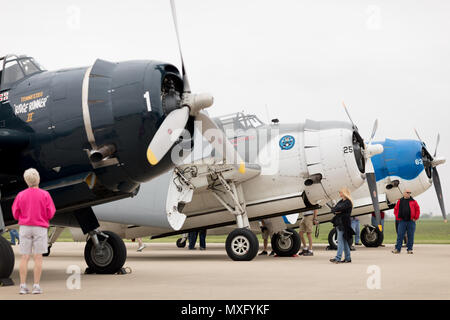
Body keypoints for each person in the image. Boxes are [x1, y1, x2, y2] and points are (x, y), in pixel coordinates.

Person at [12, 168, 56, 294]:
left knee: (25, 257)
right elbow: (51, 212)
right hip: (40, 227)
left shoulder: (20, 195)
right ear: (38, 179)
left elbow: (15, 214)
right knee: (38, 257)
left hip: (25, 227)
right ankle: (36, 286)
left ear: (26, 180)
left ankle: (22, 286)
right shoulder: (45, 195)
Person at [330, 188, 355, 263]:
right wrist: (337, 210)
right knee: (344, 241)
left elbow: (338, 208)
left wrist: (337, 210)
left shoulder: (348, 202)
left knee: (340, 241)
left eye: (340, 192)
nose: (339, 193)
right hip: (339, 222)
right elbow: (334, 209)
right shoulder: (341, 201)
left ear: (344, 193)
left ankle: (338, 258)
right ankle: (348, 258)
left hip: (343, 223)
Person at [392, 189, 420, 254]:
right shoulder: (400, 201)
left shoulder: (413, 201)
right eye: (407, 192)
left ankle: (409, 249)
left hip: (411, 221)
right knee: (400, 235)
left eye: (409, 193)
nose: (408, 194)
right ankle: (397, 249)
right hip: (402, 221)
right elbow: (395, 210)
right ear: (404, 193)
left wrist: (415, 218)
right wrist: (397, 217)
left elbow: (417, 210)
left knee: (411, 236)